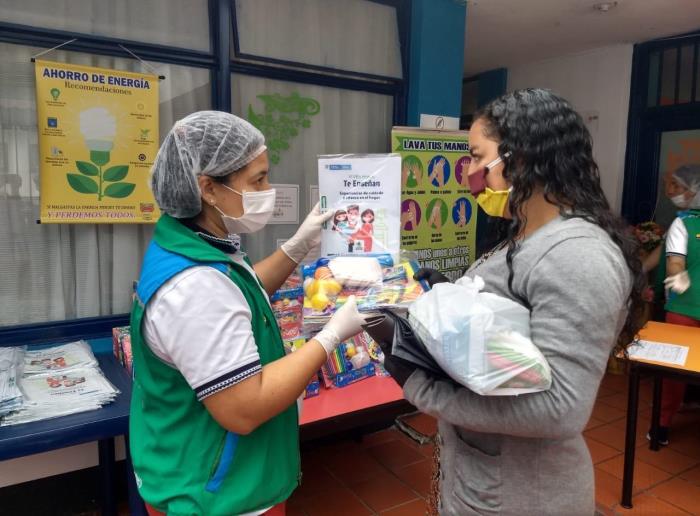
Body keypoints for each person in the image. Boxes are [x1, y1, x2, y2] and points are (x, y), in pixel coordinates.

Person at [389, 89, 646, 515]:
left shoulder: (578, 255)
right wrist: (442, 298)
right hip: (484, 480)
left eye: (476, 157)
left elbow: (560, 410)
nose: (469, 174)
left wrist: (421, 388)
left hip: (522, 495)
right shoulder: (527, 235)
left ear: (520, 158)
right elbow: (503, 335)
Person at [130, 111, 368, 516]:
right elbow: (244, 406)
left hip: (212, 474)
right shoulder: (193, 287)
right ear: (208, 188)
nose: (268, 190)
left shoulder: (192, 244)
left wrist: (296, 247)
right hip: (216, 496)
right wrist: (330, 336)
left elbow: (238, 293)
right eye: (257, 180)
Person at [648, 163, 700, 445]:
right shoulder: (682, 222)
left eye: (677, 186)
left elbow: (674, 263)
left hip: (683, 309)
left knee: (672, 372)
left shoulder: (684, 223)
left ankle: (661, 426)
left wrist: (678, 277)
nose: (670, 191)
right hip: (684, 308)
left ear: (694, 191)